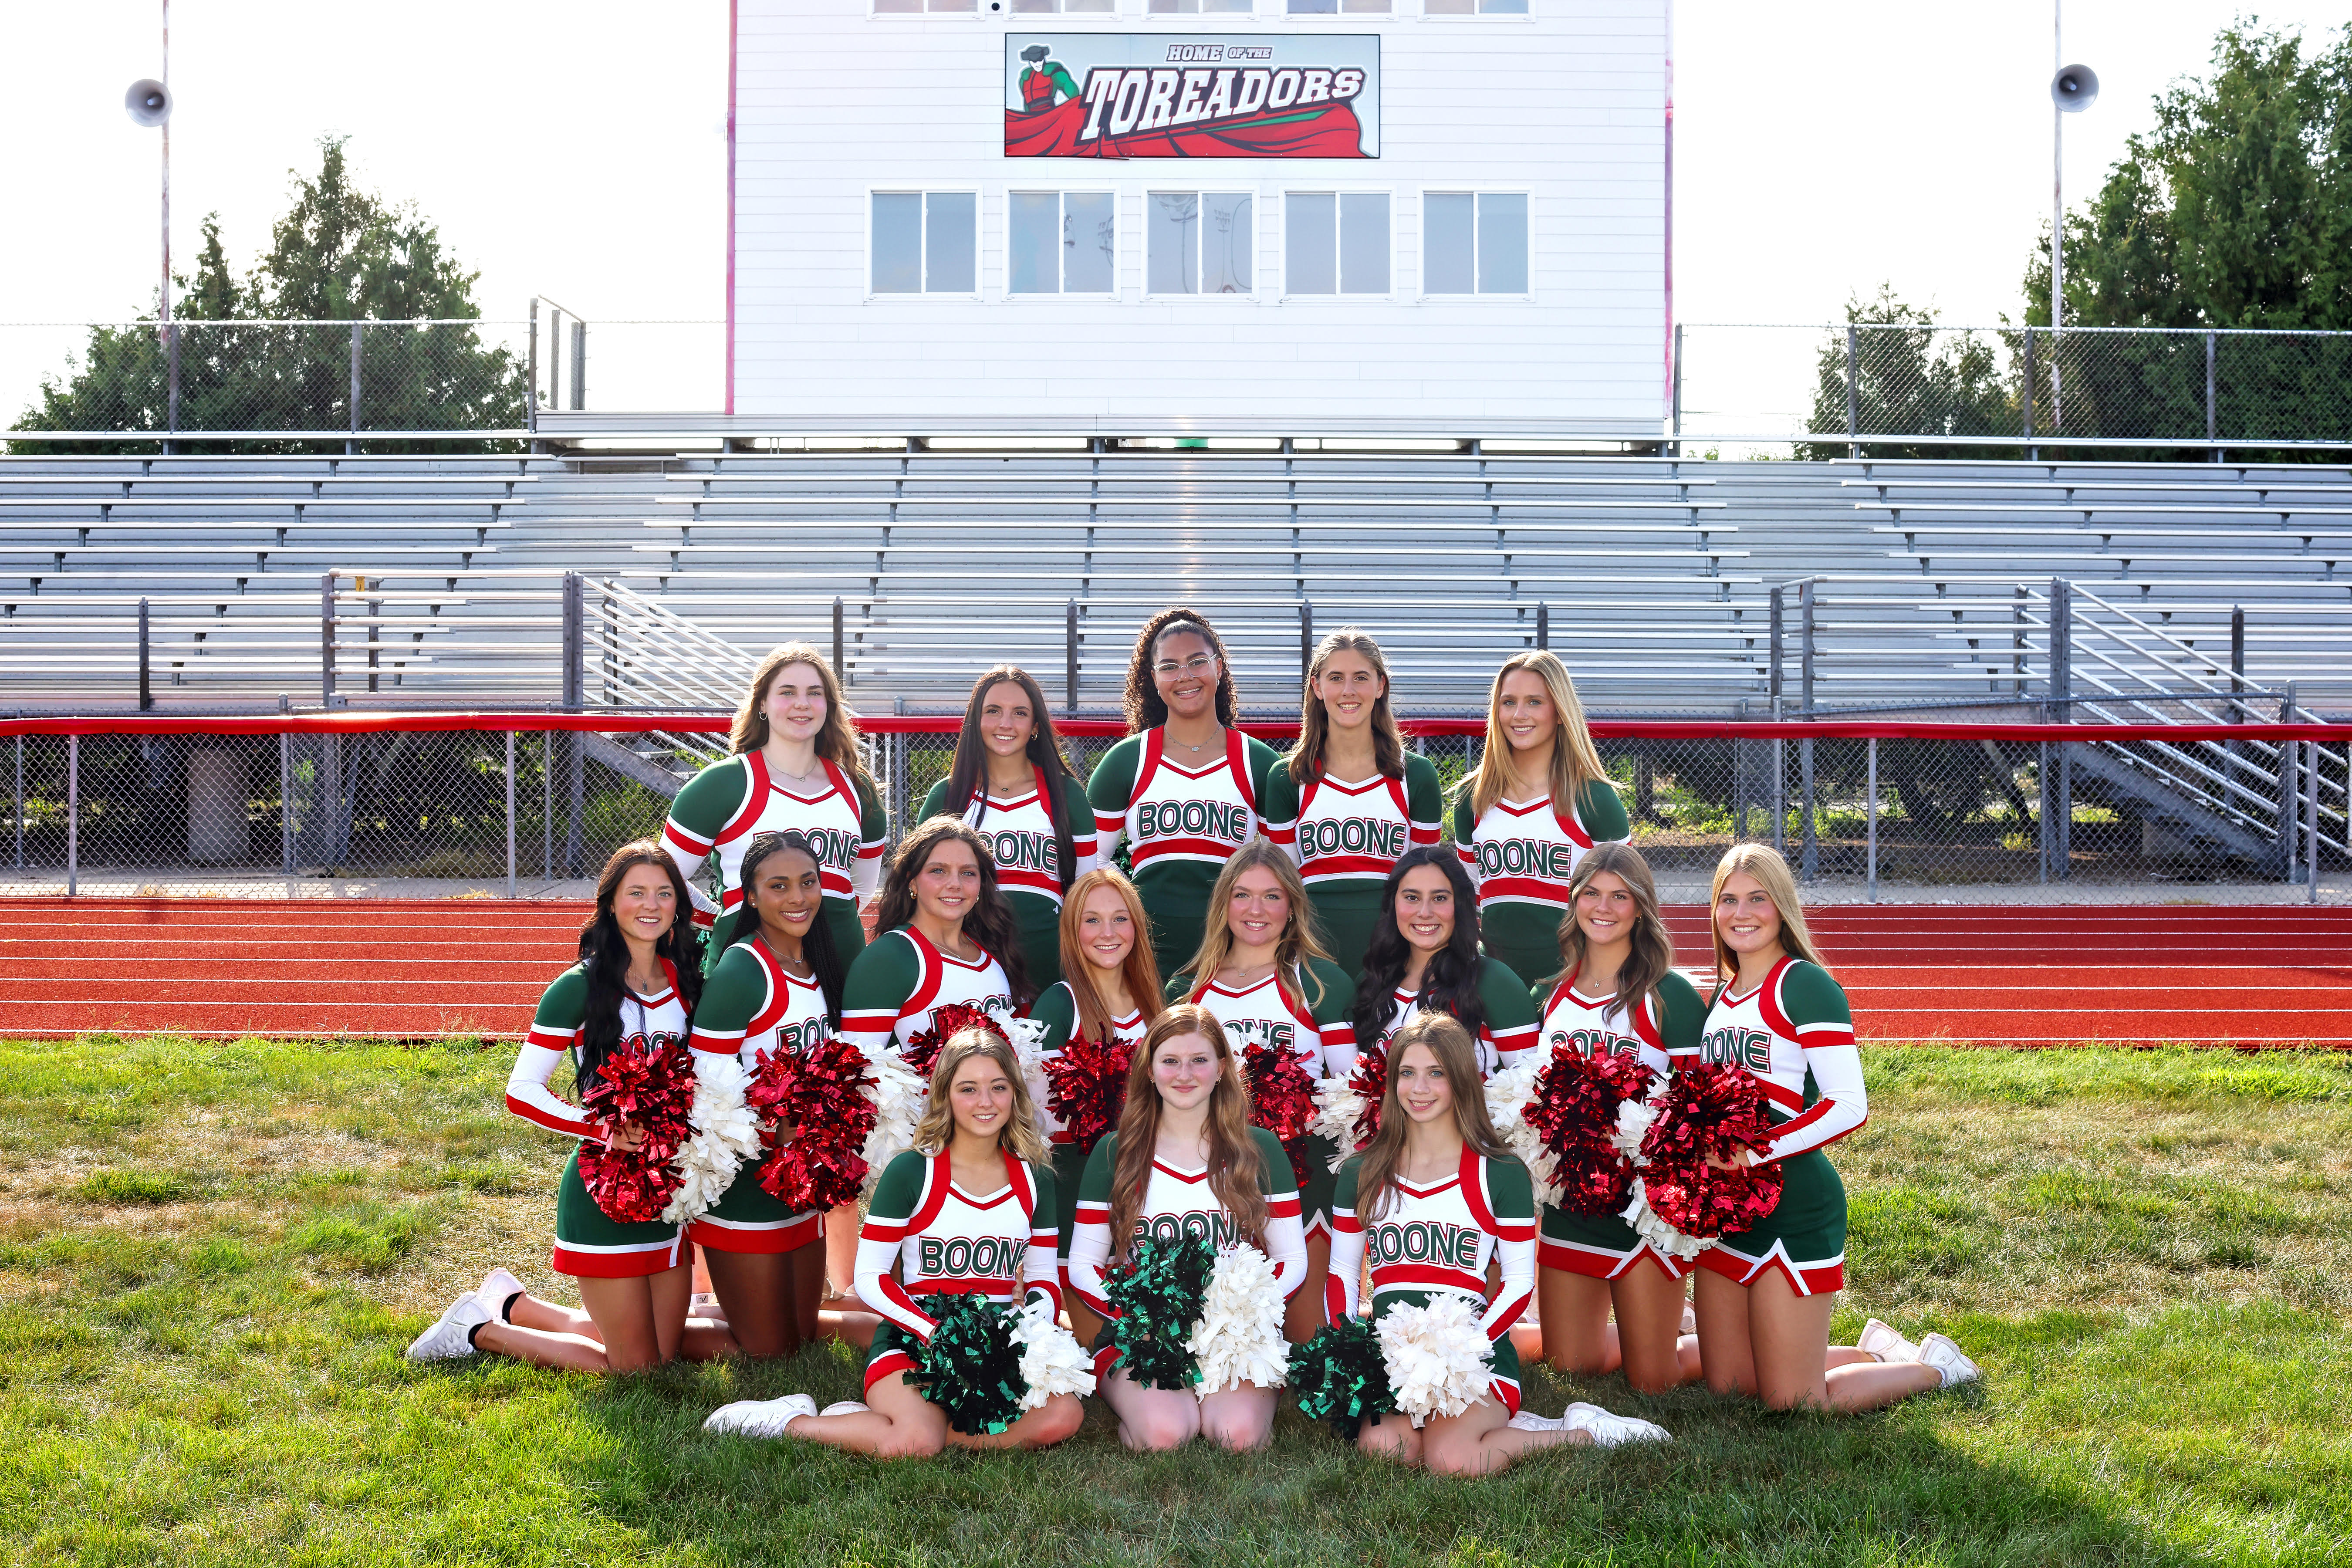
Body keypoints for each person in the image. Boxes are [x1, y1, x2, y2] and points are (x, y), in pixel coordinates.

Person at [407, 842, 729, 1370]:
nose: (651, 905)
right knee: (635, 1368)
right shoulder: (578, 987)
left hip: (673, 1188)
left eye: (665, 892)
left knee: (664, 1356)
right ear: (610, 903)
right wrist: (603, 1128)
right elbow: (522, 1090)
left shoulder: (687, 983)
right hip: (607, 1187)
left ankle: (515, 1304)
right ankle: (479, 1330)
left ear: (678, 905)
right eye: (636, 893)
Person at [702, 1028, 1085, 1456]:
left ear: (1015, 1094)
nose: (985, 1102)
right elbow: (870, 1276)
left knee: (1063, 1416)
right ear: (944, 1096)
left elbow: (1042, 1278)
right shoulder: (912, 1171)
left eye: (998, 1088)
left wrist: (1027, 1337)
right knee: (914, 1443)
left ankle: (879, 1424)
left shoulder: (1037, 1178)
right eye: (968, 1089)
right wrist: (933, 1333)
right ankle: (791, 1421)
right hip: (914, 1337)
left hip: (995, 1342)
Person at [1692, 844, 1981, 1410]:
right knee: (1729, 1385)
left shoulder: (1803, 985)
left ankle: (1935, 1369)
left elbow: (1849, 1104)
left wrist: (1753, 1152)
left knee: (1795, 1403)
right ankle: (1877, 1350)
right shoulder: (1721, 997)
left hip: (1793, 1205)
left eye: (1759, 898)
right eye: (1729, 899)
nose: (1741, 912)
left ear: (1782, 908)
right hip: (1729, 1209)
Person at [1327, 1014, 1669, 1474]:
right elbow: (1343, 1275)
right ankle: (1509, 1427)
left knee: (1452, 1458)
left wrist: (1461, 1352)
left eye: (1437, 1073)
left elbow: (1518, 1284)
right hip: (1394, 1356)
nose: (1420, 1088)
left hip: (1476, 1355)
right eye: (1407, 1073)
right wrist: (1353, 1350)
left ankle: (1582, 1433)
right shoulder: (1361, 1172)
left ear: (1462, 1081)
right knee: (1386, 1450)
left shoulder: (1498, 1171)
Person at [1066, 1005, 1307, 1453]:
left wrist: (1242, 1317)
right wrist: (1141, 1319)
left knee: (1239, 1437)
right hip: (1141, 1336)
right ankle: (1159, 1406)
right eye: (1170, 1061)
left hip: (1234, 1336)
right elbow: (1082, 1265)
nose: (1185, 1074)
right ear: (1150, 1071)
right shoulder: (1115, 1151)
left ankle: (1223, 1401)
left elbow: (1292, 1260)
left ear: (1221, 1070)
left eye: (1199, 1060)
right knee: (1165, 1435)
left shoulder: (1260, 1148)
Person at [1531, 842, 1706, 1391]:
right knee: (1569, 1367)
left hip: (1644, 1206)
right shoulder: (1550, 994)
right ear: (1574, 902)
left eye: (1620, 897)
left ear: (1640, 908)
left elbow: (1694, 1107)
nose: (1603, 908)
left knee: (1653, 1379)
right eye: (1591, 894)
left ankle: (1732, 1343)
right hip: (1573, 1203)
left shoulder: (1667, 996)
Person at [1166, 840, 1353, 1341]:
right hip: (1210, 1173)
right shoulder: (1188, 991)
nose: (1256, 910)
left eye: (1272, 896)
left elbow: (1351, 1092)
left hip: (1302, 1170)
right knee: (1214, 1331)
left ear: (1292, 906)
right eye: (1243, 895)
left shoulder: (1319, 982)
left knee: (1307, 1339)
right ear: (1223, 904)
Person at [681, 830, 844, 1358]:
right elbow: (704, 1082)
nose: (798, 898)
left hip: (800, 1185)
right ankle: (624, 1330)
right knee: (769, 1351)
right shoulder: (745, 967)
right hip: (748, 1184)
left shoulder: (818, 963)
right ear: (751, 896)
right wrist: (774, 1128)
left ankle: (708, 1307)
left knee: (805, 1337)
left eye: (808, 883)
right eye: (779, 886)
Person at [662, 643, 888, 970]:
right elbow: (662, 879)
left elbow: (862, 891)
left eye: (814, 693)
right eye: (787, 692)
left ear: (829, 705)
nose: (802, 703)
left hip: (842, 970)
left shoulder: (858, 788)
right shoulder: (723, 785)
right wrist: (719, 913)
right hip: (747, 977)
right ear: (763, 704)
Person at [1088, 608, 1282, 980]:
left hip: (1232, 951)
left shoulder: (1258, 761)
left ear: (1219, 668)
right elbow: (1088, 857)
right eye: (1170, 666)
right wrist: (1129, 904)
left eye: (1197, 662)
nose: (1186, 676)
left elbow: (1284, 866)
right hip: (1145, 951)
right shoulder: (1127, 760)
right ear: (1154, 679)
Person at [1025, 866, 1163, 1350]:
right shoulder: (1059, 1004)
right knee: (1099, 1344)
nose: (1108, 934)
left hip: (1148, 1181)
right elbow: (1037, 1117)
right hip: (1077, 1185)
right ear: (1072, 931)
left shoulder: (1156, 1006)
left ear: (1137, 927)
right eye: (1092, 921)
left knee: (1148, 1334)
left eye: (1120, 919)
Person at [1263, 628, 1443, 980]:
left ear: (1380, 686)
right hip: (1313, 962)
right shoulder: (1288, 777)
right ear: (1317, 687)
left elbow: (1425, 886)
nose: (1348, 691)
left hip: (1395, 960)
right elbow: (1283, 885)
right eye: (1336, 678)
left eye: (1361, 678)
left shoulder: (1417, 776)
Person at [1450, 652, 1629, 986]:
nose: (1519, 715)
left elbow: (1628, 901)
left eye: (1534, 702)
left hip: (1576, 983)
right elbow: (1469, 898)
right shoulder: (1471, 800)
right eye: (1508, 702)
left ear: (1560, 712)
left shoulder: (1594, 799)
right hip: (1494, 984)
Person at [917, 664, 1098, 988]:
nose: (1005, 724)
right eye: (994, 711)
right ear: (976, 720)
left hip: (1048, 968)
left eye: (1019, 713)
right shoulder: (947, 796)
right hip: (963, 965)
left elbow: (1085, 895)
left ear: (1035, 726)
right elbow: (920, 893)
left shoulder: (1067, 794)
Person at [841, 817, 1034, 1058]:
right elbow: (856, 1073)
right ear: (913, 881)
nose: (955, 884)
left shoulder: (993, 948)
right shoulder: (889, 959)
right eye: (938, 871)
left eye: (968, 873)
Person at [1348, 845, 1539, 1076]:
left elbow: (1530, 1089)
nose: (1425, 912)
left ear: (1459, 905)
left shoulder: (1494, 981)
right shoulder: (1372, 981)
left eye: (1440, 898)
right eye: (1412, 897)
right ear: (1393, 904)